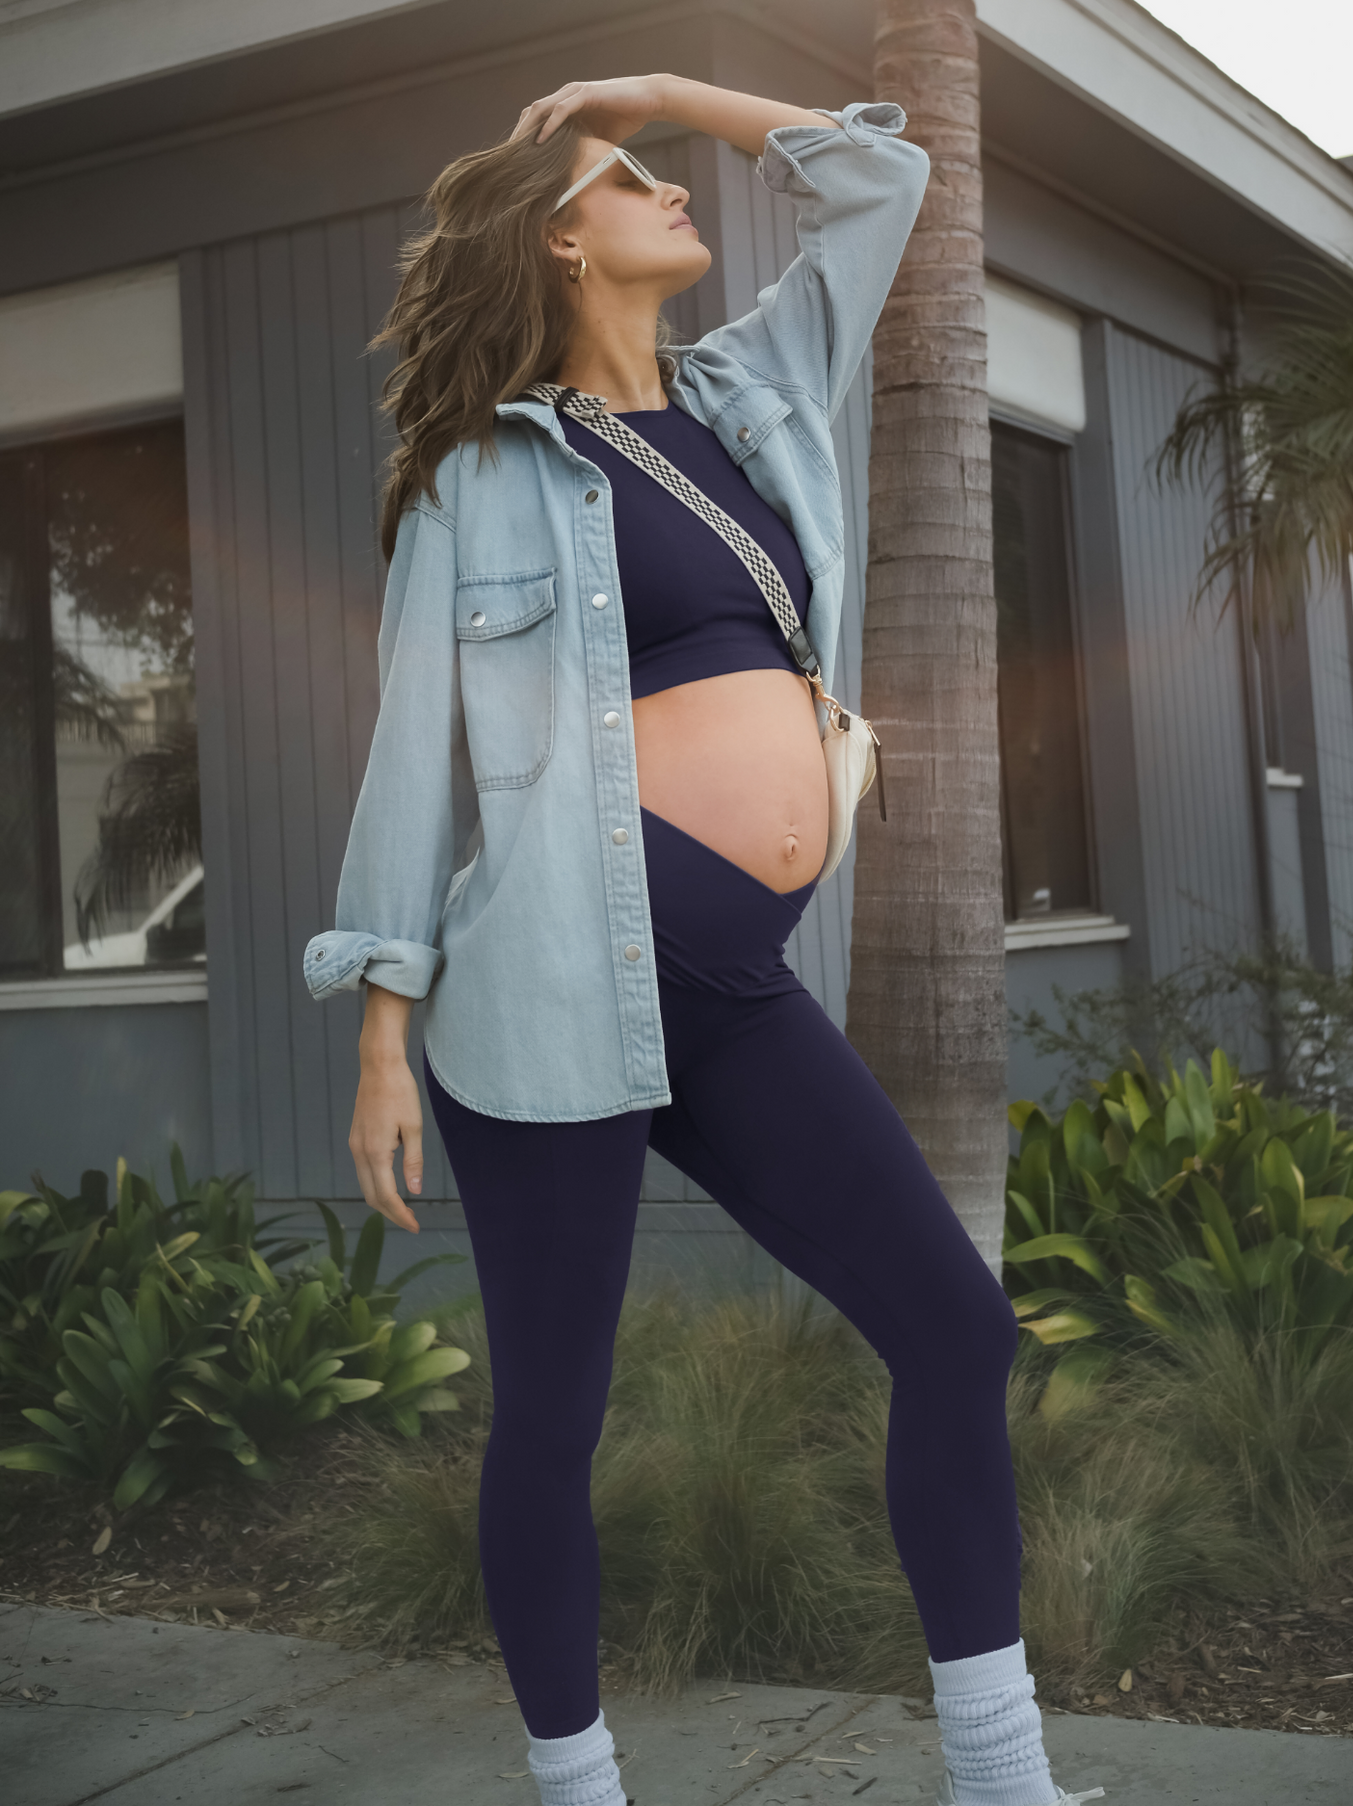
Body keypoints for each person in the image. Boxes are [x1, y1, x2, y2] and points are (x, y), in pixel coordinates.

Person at [304, 73, 1102, 1806]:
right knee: (557, 1417)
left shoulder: (751, 399)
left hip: (731, 992)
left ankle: (1002, 1774)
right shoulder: (479, 476)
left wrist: (658, 88)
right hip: (542, 994)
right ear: (560, 238)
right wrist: (382, 1027)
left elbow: (880, 179)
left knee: (955, 1334)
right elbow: (405, 756)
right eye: (630, 176)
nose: (674, 187)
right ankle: (582, 1791)